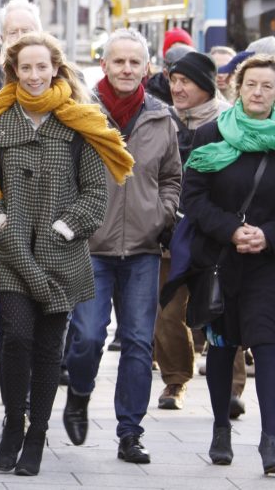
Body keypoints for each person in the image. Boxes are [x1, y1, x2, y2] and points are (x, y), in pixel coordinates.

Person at [0, 33, 132, 476]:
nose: (34, 76)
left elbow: (97, 192)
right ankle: (13, 423)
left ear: (56, 68)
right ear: (13, 71)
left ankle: (37, 432)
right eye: (25, 68)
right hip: (12, 249)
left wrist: (65, 227)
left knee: (48, 348)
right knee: (14, 334)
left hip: (62, 254)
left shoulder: (82, 122)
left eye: (42, 67)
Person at [178, 54, 275, 474]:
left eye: (267, 86)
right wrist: (232, 230)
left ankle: (270, 440)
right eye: (251, 84)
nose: (258, 93)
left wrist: (267, 235)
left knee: (269, 344)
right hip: (221, 259)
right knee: (223, 344)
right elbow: (193, 198)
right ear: (236, 87)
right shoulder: (211, 134)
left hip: (273, 261)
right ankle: (220, 429)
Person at [61, 29, 182, 463]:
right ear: (105, 65)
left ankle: (130, 432)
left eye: (135, 62)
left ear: (147, 69)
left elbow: (171, 177)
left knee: (136, 342)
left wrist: (162, 213)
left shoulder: (162, 118)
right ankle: (78, 390)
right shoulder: (79, 114)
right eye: (119, 62)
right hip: (91, 246)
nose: (127, 69)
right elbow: (63, 177)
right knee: (88, 336)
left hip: (145, 249)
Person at [156, 51, 245, 412]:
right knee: (166, 312)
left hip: (216, 232)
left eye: (185, 82)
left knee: (223, 307)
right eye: (173, 81)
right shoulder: (161, 120)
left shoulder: (231, 123)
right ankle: (175, 380)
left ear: (206, 87)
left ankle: (233, 390)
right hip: (170, 232)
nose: (177, 88)